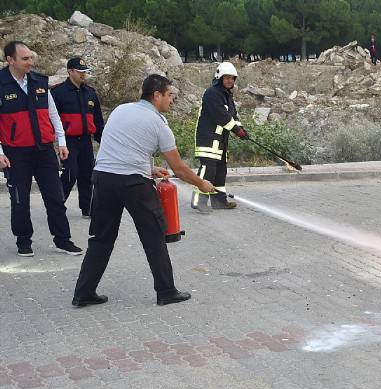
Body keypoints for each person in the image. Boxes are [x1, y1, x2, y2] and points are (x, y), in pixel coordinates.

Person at [72, 74, 215, 307]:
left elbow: (122, 146)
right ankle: (166, 291)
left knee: (101, 238)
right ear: (156, 95)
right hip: (133, 184)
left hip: (103, 179)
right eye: (170, 95)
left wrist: (149, 167)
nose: (172, 100)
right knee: (154, 237)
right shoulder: (158, 124)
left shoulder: (121, 110)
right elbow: (178, 168)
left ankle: (83, 293)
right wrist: (202, 184)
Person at [0, 41, 83, 257]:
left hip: (44, 150)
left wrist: (61, 143)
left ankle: (63, 240)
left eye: (30, 57)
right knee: (20, 200)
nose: (30, 62)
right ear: (10, 60)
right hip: (15, 153)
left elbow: (53, 114)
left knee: (55, 198)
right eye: (25, 59)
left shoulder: (39, 82)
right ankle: (23, 241)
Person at [191, 61, 248, 213]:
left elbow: (233, 115)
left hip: (220, 141)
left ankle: (219, 201)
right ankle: (199, 201)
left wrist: (241, 128)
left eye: (232, 78)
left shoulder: (227, 96)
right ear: (219, 77)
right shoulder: (212, 93)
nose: (230, 80)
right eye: (226, 77)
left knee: (220, 171)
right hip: (208, 140)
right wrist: (237, 130)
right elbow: (221, 116)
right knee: (208, 170)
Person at [51, 57, 104, 219]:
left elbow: (98, 122)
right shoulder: (57, 92)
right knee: (69, 174)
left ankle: (86, 208)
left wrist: (103, 141)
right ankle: (56, 207)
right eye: (80, 72)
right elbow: (51, 119)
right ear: (70, 71)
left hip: (86, 141)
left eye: (84, 72)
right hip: (68, 141)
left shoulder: (90, 93)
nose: (83, 75)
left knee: (87, 175)